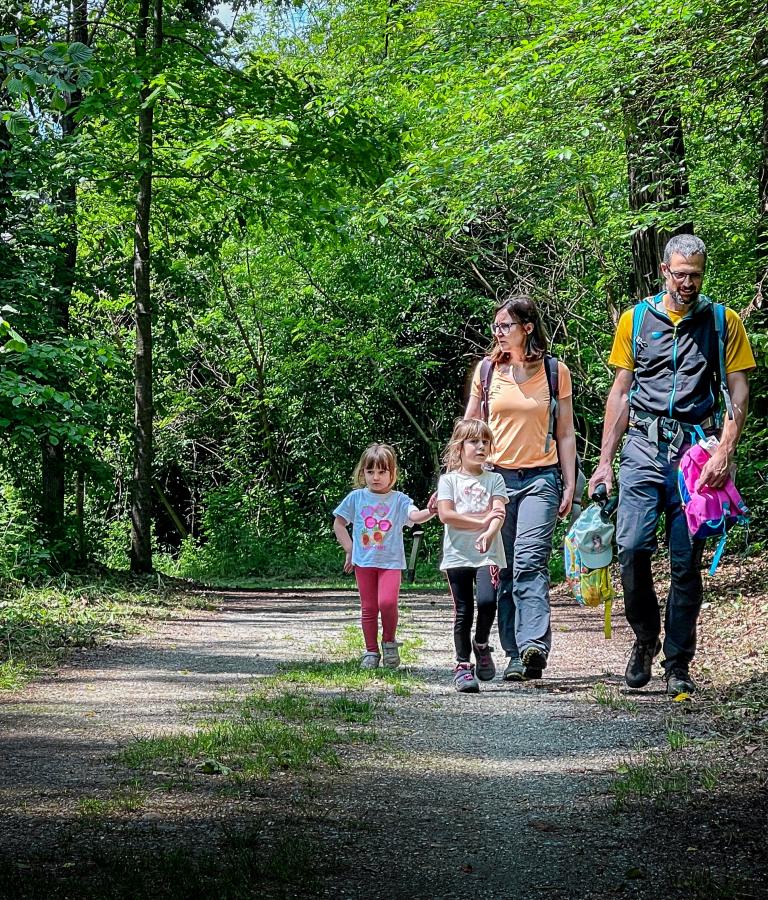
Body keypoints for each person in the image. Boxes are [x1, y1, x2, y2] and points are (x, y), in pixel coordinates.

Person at [588, 234, 756, 696]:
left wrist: (724, 451)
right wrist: (604, 462)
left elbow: (739, 391)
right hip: (642, 449)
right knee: (632, 548)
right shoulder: (635, 319)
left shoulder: (723, 322)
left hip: (696, 456)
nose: (687, 283)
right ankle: (645, 637)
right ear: (664, 271)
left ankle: (678, 663)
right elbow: (620, 392)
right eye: (680, 274)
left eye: (695, 275)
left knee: (685, 564)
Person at [464, 295, 577, 681]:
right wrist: (457, 480)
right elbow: (469, 431)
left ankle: (534, 646)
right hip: (496, 480)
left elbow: (565, 432)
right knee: (506, 568)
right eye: (495, 326)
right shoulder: (486, 372)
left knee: (530, 562)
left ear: (527, 328)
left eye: (505, 325)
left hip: (541, 479)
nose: (498, 332)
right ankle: (515, 654)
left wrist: (570, 483)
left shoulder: (555, 371)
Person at [333, 443, 434, 670]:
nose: (376, 477)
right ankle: (371, 651)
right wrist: (350, 549)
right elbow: (339, 524)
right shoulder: (356, 498)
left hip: (391, 563)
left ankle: (389, 642)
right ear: (363, 473)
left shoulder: (399, 500)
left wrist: (433, 510)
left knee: (387, 603)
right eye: (370, 472)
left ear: (392, 473)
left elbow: (415, 516)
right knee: (369, 608)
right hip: (364, 563)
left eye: (381, 471)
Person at [436, 418, 508, 693]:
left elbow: (498, 513)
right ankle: (463, 666)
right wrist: (480, 521)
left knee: (488, 602)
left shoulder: (495, 479)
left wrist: (489, 533)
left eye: (485, 442)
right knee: (463, 611)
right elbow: (446, 515)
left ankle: (481, 643)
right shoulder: (449, 481)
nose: (480, 447)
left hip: (488, 554)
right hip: (457, 555)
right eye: (474, 442)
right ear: (459, 447)